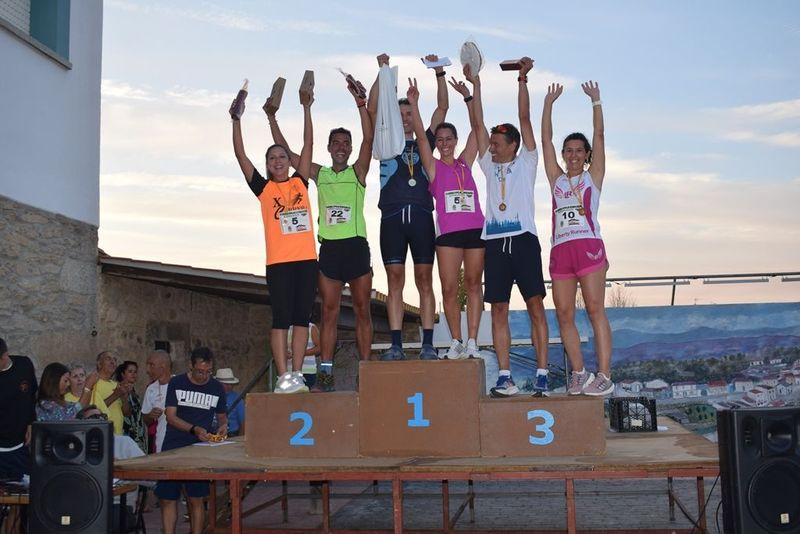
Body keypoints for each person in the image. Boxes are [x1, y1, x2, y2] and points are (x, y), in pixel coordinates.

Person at [267, 73, 374, 391]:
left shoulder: (359, 171)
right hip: (329, 250)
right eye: (336, 143)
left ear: (350, 147)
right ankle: (325, 374)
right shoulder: (319, 173)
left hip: (356, 247)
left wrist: (361, 105)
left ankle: (365, 372)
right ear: (329, 147)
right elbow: (285, 150)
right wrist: (272, 118)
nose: (341, 147)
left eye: (346, 143)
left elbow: (369, 140)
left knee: (362, 310)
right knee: (328, 313)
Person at [231, 79, 318, 394]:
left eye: (282, 157)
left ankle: (296, 374)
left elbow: (308, 145)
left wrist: (307, 108)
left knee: (301, 319)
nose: (278, 161)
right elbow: (241, 156)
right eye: (272, 159)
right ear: (267, 166)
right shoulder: (264, 189)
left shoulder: (300, 183)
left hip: (307, 260)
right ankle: (283, 376)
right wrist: (236, 120)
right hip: (279, 263)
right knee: (281, 318)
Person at [470, 57, 550, 397]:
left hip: (524, 240)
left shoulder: (528, 162)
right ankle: (505, 377)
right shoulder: (488, 165)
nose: (491, 145)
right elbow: (477, 125)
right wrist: (474, 86)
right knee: (498, 308)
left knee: (534, 306)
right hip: (495, 243)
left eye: (498, 141)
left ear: (513, 145)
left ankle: (544, 374)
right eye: (492, 141)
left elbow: (524, 118)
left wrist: (522, 80)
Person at [369, 53, 449, 361]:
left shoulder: (424, 143)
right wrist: (383, 73)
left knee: (425, 280)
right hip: (391, 215)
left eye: (408, 113)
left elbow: (442, 108)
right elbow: (374, 106)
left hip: (420, 216)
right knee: (393, 280)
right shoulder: (383, 141)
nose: (404, 118)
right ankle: (397, 345)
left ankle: (428, 343)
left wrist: (439, 73)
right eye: (400, 113)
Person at [541, 80, 614, 396]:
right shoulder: (556, 179)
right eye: (568, 151)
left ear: (586, 156)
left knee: (595, 309)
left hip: (587, 247)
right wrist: (548, 104)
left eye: (578, 151)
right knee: (563, 313)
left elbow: (599, 136)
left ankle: (605, 375)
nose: (572, 155)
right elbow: (544, 139)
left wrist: (596, 102)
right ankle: (580, 373)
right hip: (561, 251)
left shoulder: (592, 177)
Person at [406, 75, 485, 360]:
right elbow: (419, 136)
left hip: (476, 230)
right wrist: (414, 104)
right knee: (450, 288)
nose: (444, 143)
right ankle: (456, 340)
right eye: (440, 140)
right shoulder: (433, 166)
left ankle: (473, 340)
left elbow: (478, 127)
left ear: (456, 140)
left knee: (475, 285)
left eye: (449, 138)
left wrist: (469, 97)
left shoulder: (466, 162)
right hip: (448, 236)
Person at [155, 347, 227, 534]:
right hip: (174, 447)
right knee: (167, 498)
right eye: (200, 371)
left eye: (208, 372)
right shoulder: (177, 383)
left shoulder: (217, 387)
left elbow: (222, 417)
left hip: (200, 450)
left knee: (196, 498)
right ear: (191, 366)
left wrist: (223, 427)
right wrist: (194, 429)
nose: (204, 376)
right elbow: (170, 416)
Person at [0, 337, 37, 480]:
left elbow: (32, 396)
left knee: (25, 493)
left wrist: (31, 423)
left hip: (20, 448)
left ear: (4, 356)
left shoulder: (24, 365)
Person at [91, 351, 131, 434]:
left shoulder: (117, 385)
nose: (112, 362)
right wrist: (116, 395)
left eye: (115, 360)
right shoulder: (92, 383)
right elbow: (93, 411)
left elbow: (126, 413)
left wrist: (123, 397)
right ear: (99, 364)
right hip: (102, 435)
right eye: (108, 359)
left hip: (118, 435)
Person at [141, 349, 172, 453]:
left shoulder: (180, 385)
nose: (147, 370)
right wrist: (150, 415)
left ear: (162, 366)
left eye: (151, 365)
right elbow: (146, 419)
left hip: (181, 443)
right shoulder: (151, 389)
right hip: (161, 443)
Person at [115, 360, 148, 453]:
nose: (133, 374)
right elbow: (125, 412)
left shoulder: (134, 392)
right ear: (122, 374)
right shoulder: (120, 389)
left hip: (138, 432)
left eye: (135, 372)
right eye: (130, 371)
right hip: (128, 432)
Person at [214, 368, 245, 436]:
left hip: (231, 434)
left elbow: (243, 422)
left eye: (231, 384)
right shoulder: (211, 396)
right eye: (226, 384)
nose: (229, 386)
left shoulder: (237, 399)